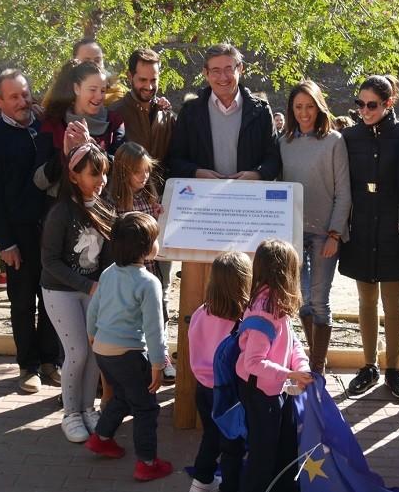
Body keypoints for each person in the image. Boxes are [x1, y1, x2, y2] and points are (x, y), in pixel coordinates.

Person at [0, 69, 61, 393]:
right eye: (14, 96)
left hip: (52, 232)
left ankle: (49, 362)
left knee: (52, 300)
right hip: (18, 237)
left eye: (25, 94)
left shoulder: (45, 129)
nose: (23, 101)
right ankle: (28, 366)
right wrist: (5, 242)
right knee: (22, 302)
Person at [339, 75, 399, 400]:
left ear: (389, 103)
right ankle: (368, 365)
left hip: (392, 227)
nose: (364, 110)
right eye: (360, 104)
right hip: (361, 227)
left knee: (394, 303)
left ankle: (393, 369)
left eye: (372, 105)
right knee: (366, 301)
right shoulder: (349, 136)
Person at [84, 212, 173, 482]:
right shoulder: (149, 282)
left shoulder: (109, 273)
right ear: (146, 249)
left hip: (103, 350)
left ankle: (101, 438)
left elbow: (94, 309)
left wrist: (92, 337)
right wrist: (158, 364)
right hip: (130, 355)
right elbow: (154, 328)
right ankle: (147, 463)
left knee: (122, 395)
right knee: (145, 407)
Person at [41, 143, 114, 442]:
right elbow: (49, 262)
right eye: (94, 174)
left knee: (95, 353)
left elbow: (108, 257)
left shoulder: (105, 208)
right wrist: (88, 285)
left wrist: (106, 286)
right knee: (78, 352)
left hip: (93, 291)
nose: (101, 181)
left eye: (104, 174)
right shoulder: (60, 212)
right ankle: (70, 413)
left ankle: (88, 408)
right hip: (61, 291)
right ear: (73, 177)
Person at [279, 80, 351, 374]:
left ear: (319, 107)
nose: (304, 113)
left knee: (319, 300)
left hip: (325, 234)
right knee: (301, 301)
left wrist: (335, 233)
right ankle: (310, 360)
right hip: (293, 234)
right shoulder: (284, 143)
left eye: (310, 106)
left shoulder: (334, 141)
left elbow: (343, 192)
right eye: (298, 107)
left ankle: (318, 368)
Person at [237, 239, 313, 492]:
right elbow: (254, 363)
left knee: (285, 446)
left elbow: (292, 343)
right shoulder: (262, 311)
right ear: (285, 273)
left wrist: (301, 366)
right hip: (259, 392)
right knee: (263, 455)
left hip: (276, 389)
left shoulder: (277, 302)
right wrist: (289, 374)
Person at [108, 142, 175, 385]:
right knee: (134, 317)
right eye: (138, 171)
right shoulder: (115, 201)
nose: (144, 176)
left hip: (152, 270)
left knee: (159, 313)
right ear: (124, 171)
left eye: (146, 171)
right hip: (129, 272)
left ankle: (162, 357)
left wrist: (160, 213)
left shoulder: (150, 194)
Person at [167, 43, 281, 181]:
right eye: (216, 70)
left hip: (249, 196)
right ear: (206, 73)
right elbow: (175, 160)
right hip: (203, 196)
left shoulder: (261, 111)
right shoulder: (190, 112)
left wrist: (257, 174)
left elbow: (273, 159)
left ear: (240, 69)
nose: (223, 77)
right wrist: (196, 172)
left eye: (229, 69)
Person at [187, 251, 252, 492]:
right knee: (232, 447)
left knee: (211, 436)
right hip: (228, 394)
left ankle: (201, 480)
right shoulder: (244, 320)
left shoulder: (201, 312)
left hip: (203, 389)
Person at [35, 60, 125, 199]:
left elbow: (122, 170)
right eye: (92, 90)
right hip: (62, 211)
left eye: (102, 90)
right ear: (76, 88)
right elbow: (39, 181)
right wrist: (65, 155)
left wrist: (90, 146)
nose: (99, 96)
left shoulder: (115, 122)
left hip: (103, 208)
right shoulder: (54, 123)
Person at [109, 48, 176, 191]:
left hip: (162, 200)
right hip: (126, 200)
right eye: (143, 80)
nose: (149, 86)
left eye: (154, 80)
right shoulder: (113, 114)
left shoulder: (167, 116)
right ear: (129, 76)